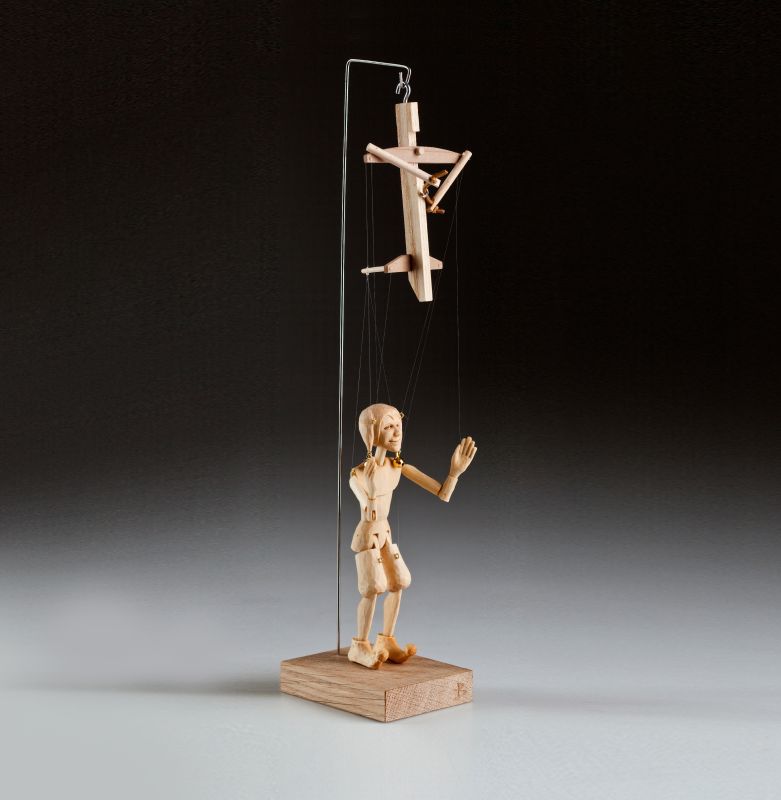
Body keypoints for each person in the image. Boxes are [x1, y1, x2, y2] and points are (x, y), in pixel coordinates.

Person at [347, 402, 477, 668]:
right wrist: (370, 486)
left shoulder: (398, 467)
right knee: (373, 588)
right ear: (371, 433)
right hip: (368, 535)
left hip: (385, 533)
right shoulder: (358, 474)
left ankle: (386, 640)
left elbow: (443, 494)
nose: (397, 432)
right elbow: (368, 505)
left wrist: (454, 472)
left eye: (398, 425)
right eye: (388, 426)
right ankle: (359, 646)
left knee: (398, 583)